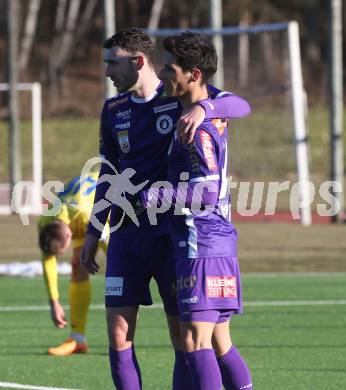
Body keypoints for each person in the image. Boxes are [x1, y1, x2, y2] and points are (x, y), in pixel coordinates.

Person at [80, 28, 250, 390]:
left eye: (112, 63)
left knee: (186, 339)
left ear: (137, 62)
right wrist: (95, 232)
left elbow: (240, 105)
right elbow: (107, 176)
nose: (108, 71)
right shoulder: (113, 110)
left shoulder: (178, 98)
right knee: (118, 334)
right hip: (126, 236)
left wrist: (205, 106)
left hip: (171, 234)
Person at [139, 32, 253, 389]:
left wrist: (152, 197)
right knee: (220, 343)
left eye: (169, 68)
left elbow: (205, 190)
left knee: (194, 342)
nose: (163, 74)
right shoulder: (202, 108)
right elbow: (238, 104)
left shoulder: (197, 127)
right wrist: (207, 105)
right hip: (215, 239)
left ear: (194, 74)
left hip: (199, 240)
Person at [38, 172, 108, 356]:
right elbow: (47, 259)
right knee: (78, 265)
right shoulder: (45, 221)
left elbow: (111, 244)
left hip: (110, 203)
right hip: (81, 209)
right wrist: (54, 301)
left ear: (70, 235)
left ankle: (125, 336)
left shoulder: (85, 215)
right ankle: (77, 339)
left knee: (121, 268)